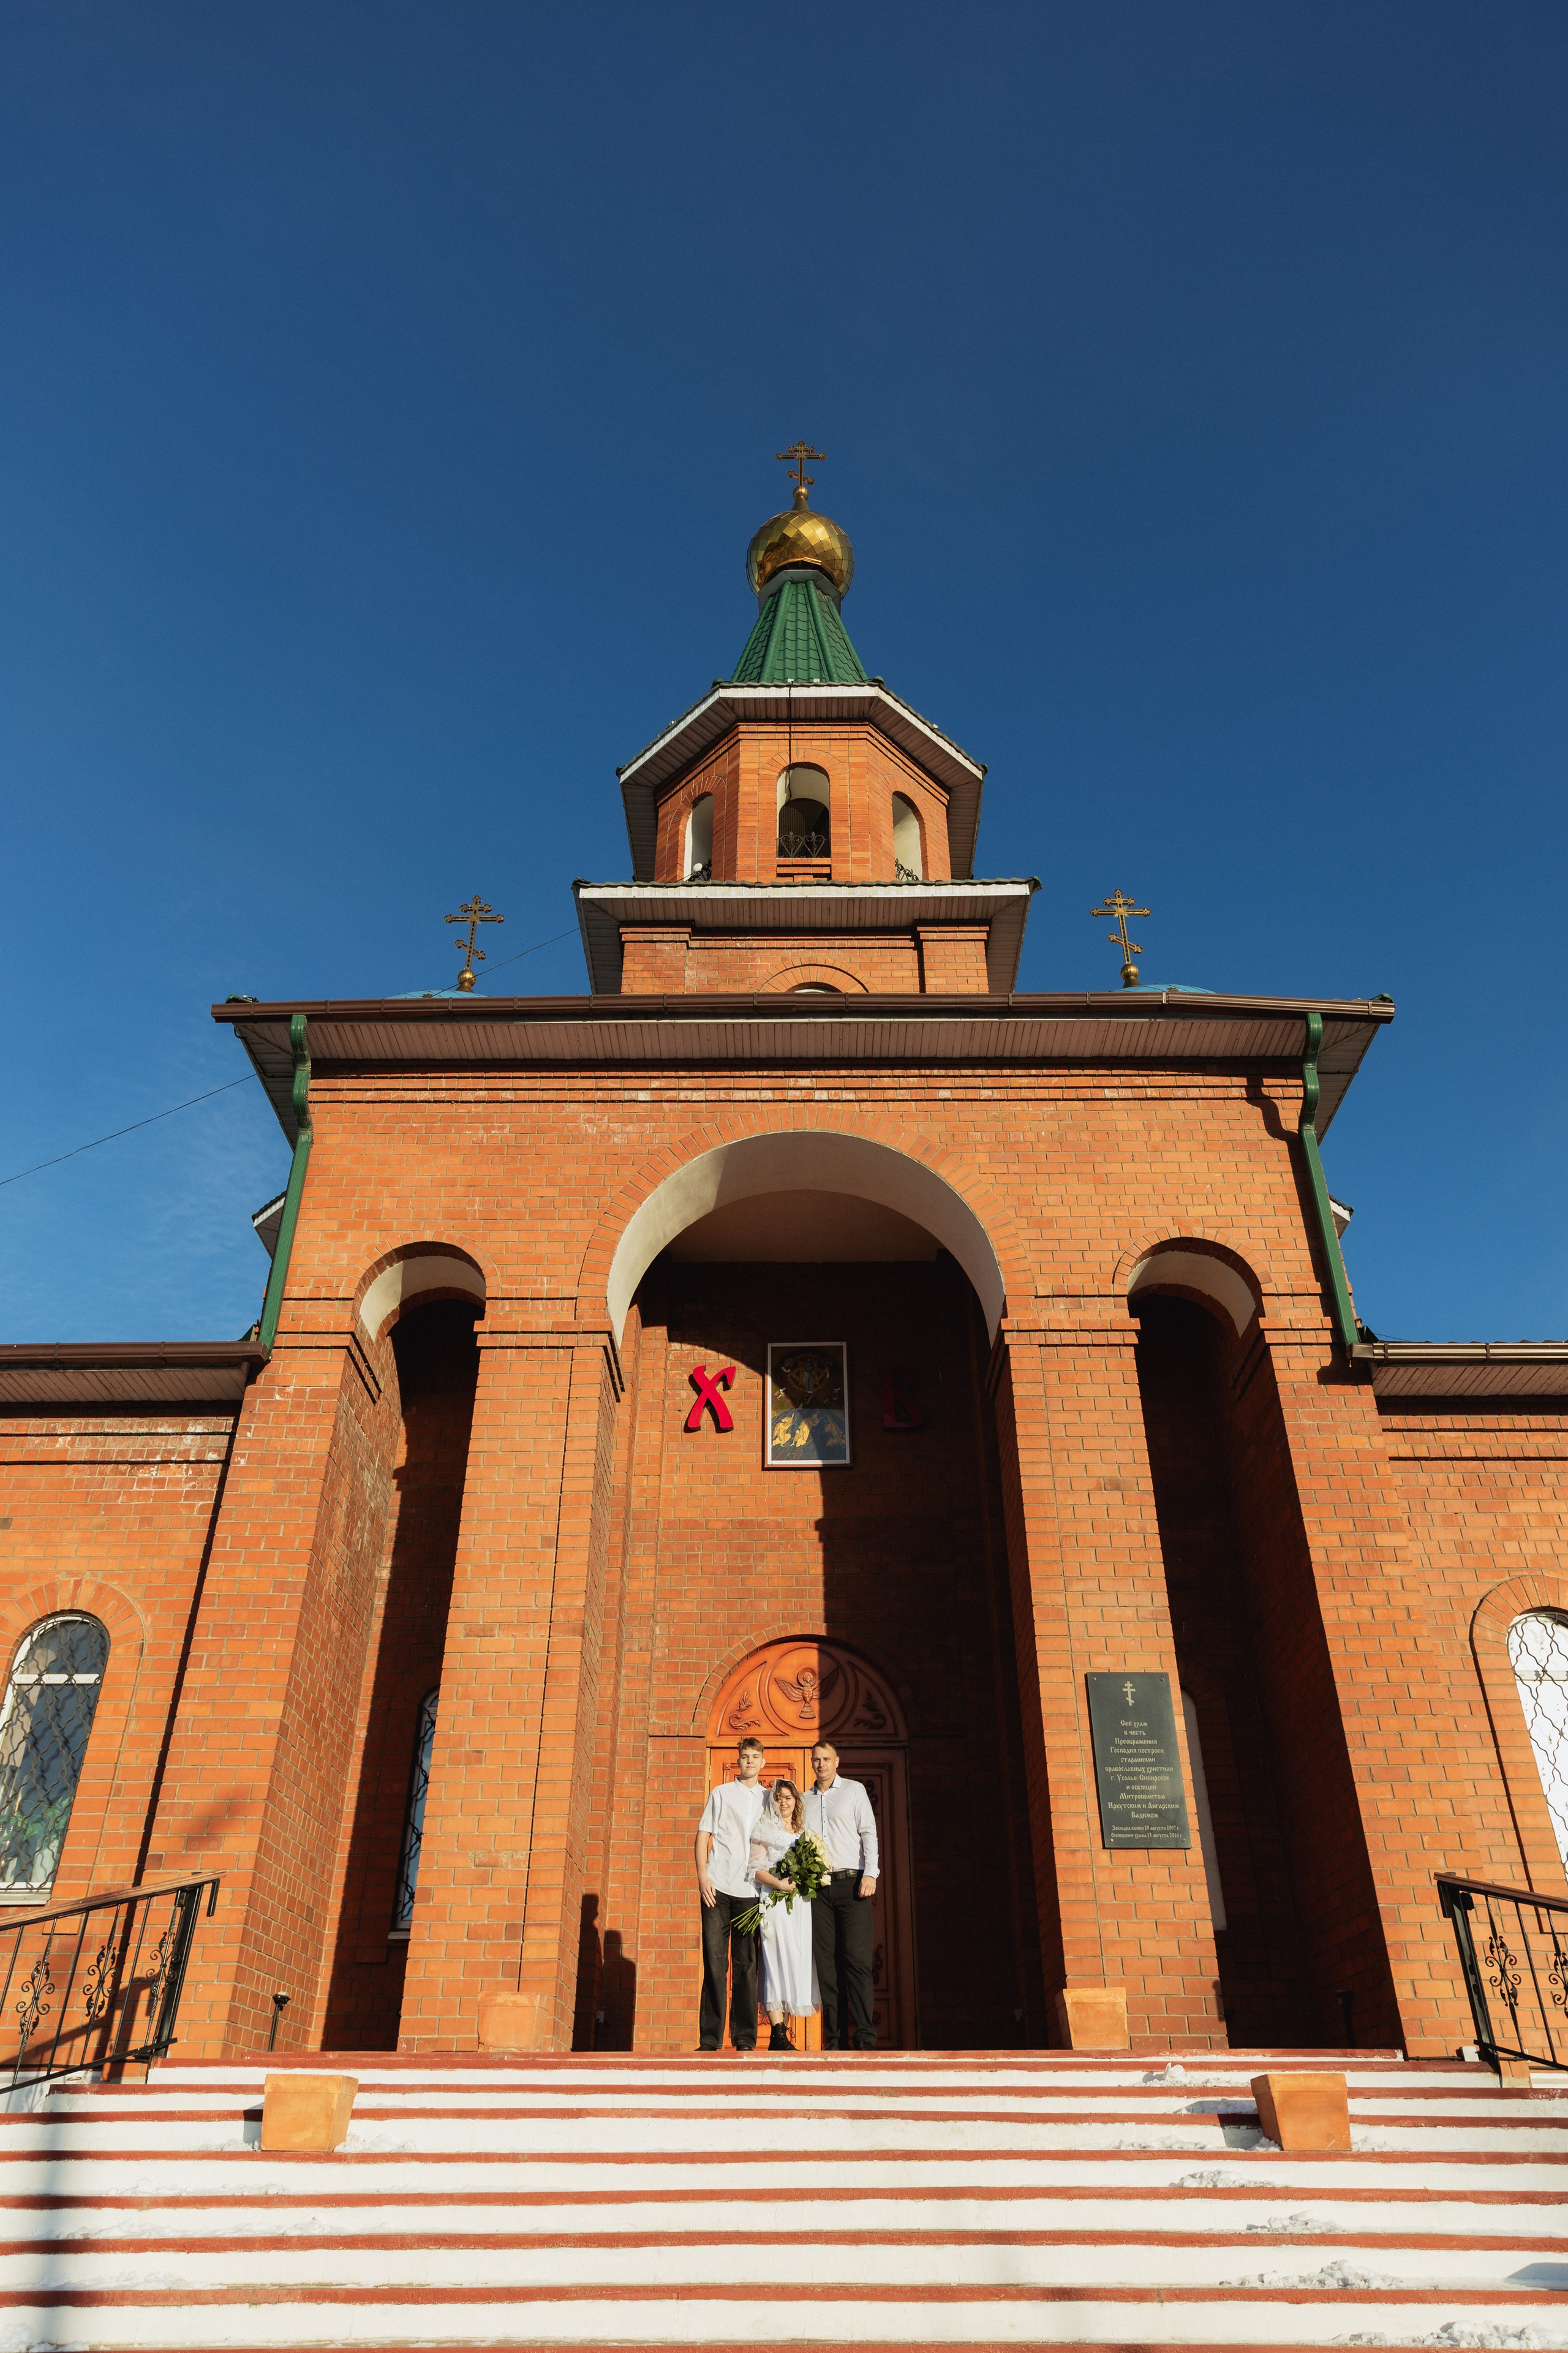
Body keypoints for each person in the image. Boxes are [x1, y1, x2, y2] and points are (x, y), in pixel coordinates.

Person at [693, 1735, 767, 2052]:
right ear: (738, 1761)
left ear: (763, 1762)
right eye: (745, 1756)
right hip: (718, 1887)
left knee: (747, 1965)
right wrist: (702, 1877)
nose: (749, 1761)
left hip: (752, 1890)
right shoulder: (721, 1794)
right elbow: (703, 1836)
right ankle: (710, 2038)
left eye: (755, 1756)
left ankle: (745, 2038)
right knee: (714, 1961)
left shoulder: (770, 1798)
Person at [804, 1739, 879, 2051]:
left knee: (858, 1962)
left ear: (837, 1761)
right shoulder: (804, 1799)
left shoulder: (853, 1791)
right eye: (816, 1760)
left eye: (826, 1759)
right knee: (827, 1964)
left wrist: (871, 1873)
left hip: (853, 1886)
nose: (820, 1764)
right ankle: (834, 2039)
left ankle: (864, 2036)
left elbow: (868, 1832)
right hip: (818, 1891)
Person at [748, 1777, 819, 2052]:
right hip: (775, 1900)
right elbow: (755, 1868)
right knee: (775, 1960)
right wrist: (778, 1884)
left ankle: (784, 2034)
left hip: (799, 1904)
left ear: (796, 1801)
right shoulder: (764, 1828)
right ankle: (777, 2032)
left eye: (789, 1798)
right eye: (779, 1798)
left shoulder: (804, 1831)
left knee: (795, 1960)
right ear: (773, 1802)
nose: (784, 1803)